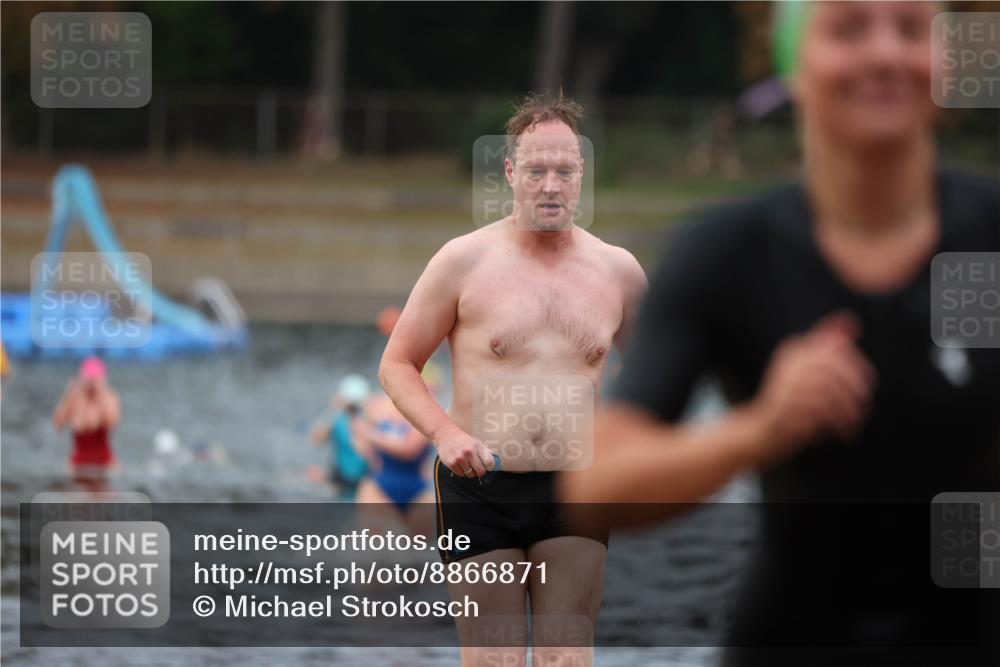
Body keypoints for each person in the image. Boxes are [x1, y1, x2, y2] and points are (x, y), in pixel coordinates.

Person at [560, 3, 998, 666]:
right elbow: (594, 489)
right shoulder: (728, 253)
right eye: (849, 29)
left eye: (911, 29)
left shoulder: (990, 235)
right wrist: (761, 428)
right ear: (793, 63)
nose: (885, 54)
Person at [379, 91, 647, 666]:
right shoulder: (462, 261)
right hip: (479, 489)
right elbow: (397, 364)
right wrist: (445, 434)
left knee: (564, 659)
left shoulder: (619, 272)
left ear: (581, 175)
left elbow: (656, 375)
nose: (550, 186)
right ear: (509, 173)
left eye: (564, 172)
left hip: (575, 489)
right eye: (535, 171)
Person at [354, 364, 442, 536]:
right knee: (385, 545)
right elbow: (359, 429)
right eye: (428, 388)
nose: (431, 394)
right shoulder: (380, 404)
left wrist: (374, 437)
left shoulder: (430, 412)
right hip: (381, 486)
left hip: (417, 490)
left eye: (433, 390)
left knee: (421, 547)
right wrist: (369, 450)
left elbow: (410, 449)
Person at [52, 356, 122, 489]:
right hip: (78, 465)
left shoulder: (109, 397)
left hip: (104, 465)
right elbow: (57, 425)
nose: (91, 383)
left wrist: (101, 392)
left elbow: (112, 423)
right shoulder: (75, 399)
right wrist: (69, 394)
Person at [310, 373, 372, 499]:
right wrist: (331, 410)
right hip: (345, 480)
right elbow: (317, 440)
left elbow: (316, 440)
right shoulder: (338, 420)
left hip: (359, 481)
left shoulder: (368, 420)